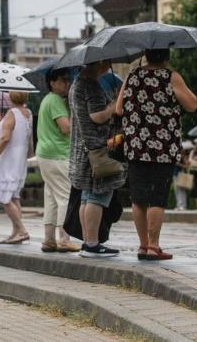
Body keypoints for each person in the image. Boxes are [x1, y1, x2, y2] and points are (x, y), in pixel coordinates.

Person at [117, 48, 197, 261]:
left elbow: (118, 109)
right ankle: (154, 246)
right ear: (166, 56)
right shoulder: (170, 76)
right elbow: (191, 105)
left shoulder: (132, 76)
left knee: (139, 198)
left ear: (146, 54)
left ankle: (143, 246)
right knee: (157, 198)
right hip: (163, 147)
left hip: (135, 146)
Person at [69, 59, 125, 257]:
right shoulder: (90, 85)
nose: (108, 65)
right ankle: (92, 244)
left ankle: (88, 242)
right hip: (97, 149)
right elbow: (97, 116)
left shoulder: (76, 83)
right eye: (106, 62)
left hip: (82, 148)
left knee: (86, 196)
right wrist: (113, 105)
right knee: (97, 196)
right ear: (99, 63)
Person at [36, 69, 79, 253]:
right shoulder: (55, 100)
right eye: (62, 80)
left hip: (45, 154)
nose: (67, 84)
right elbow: (65, 128)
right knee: (65, 197)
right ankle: (64, 239)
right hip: (58, 154)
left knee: (51, 198)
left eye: (68, 80)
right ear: (52, 83)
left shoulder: (47, 100)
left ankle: (49, 239)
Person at [0, 92, 32, 244]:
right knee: (14, 196)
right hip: (19, 159)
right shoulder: (28, 113)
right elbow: (28, 138)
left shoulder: (11, 113)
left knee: (4, 198)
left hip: (8, 160)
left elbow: (5, 138)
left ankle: (22, 230)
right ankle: (16, 233)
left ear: (10, 98)